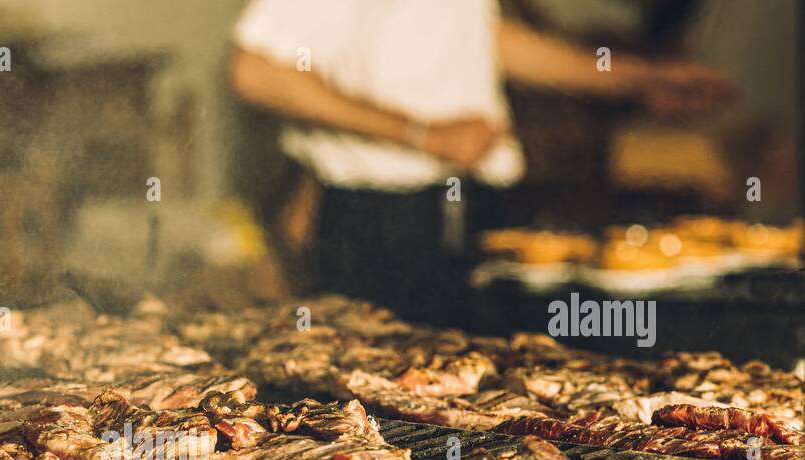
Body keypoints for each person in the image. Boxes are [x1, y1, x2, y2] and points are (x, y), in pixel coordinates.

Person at [228, 0, 736, 326]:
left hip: (476, 211)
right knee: (389, 420)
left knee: (479, 407)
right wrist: (421, 133)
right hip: (382, 225)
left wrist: (637, 79)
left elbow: (482, 39)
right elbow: (256, 70)